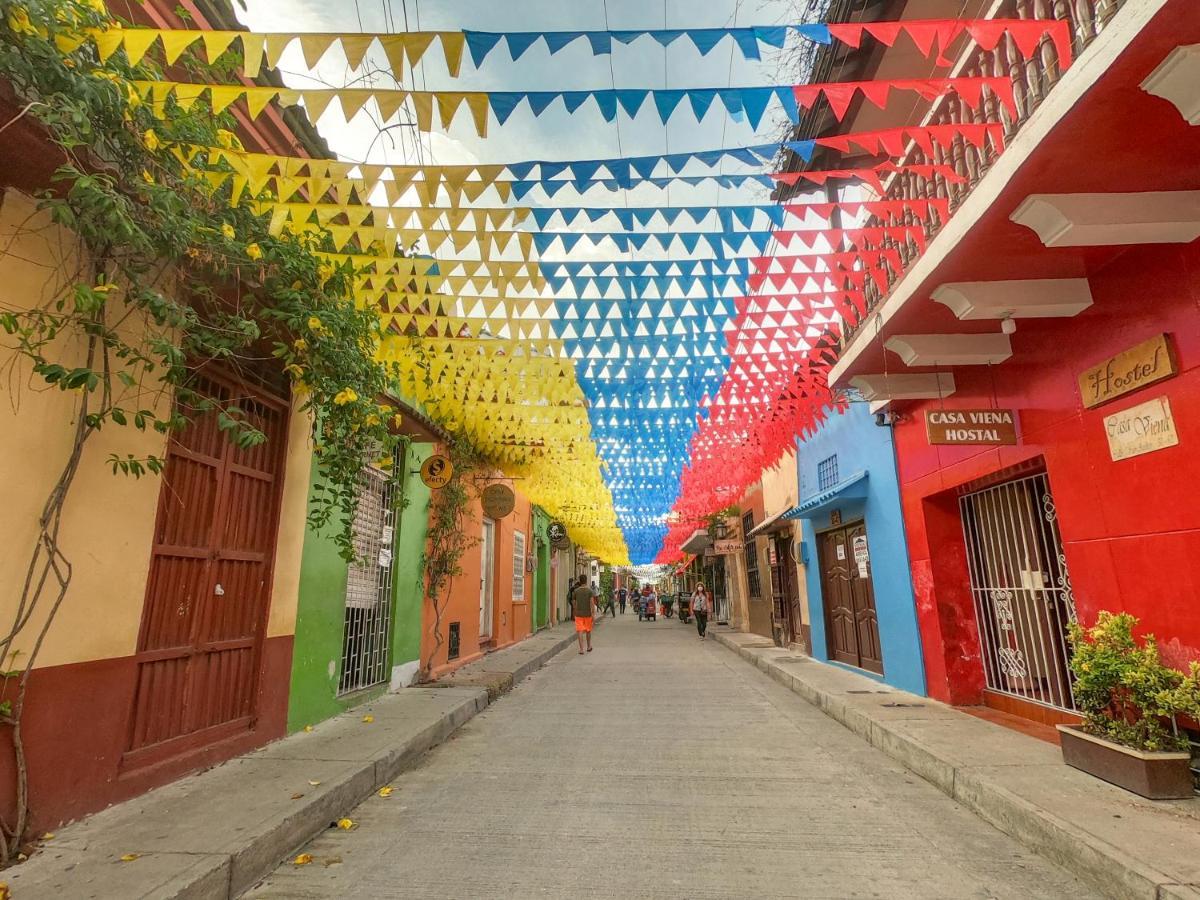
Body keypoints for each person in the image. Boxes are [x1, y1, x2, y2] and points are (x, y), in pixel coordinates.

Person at [571, 575, 597, 654]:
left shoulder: (576, 591)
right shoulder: (590, 591)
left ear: (580, 581)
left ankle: (581, 649)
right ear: (586, 581)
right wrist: (593, 614)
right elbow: (592, 603)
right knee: (588, 631)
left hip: (578, 614)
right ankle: (589, 646)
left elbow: (574, 603)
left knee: (580, 631)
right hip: (588, 614)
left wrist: (575, 611)